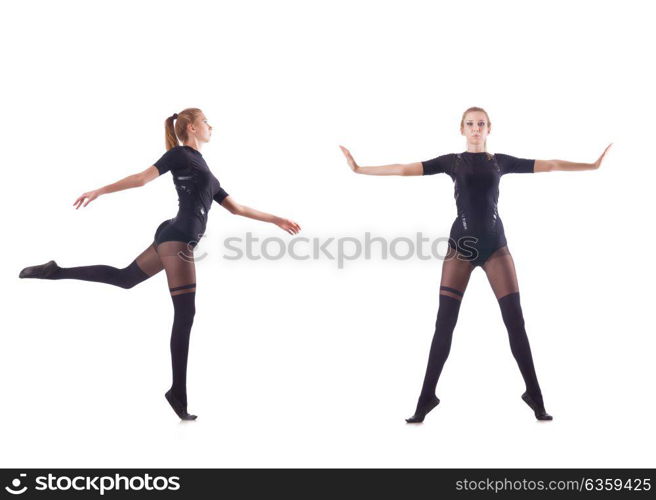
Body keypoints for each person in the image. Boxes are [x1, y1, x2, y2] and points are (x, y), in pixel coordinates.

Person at [19, 107, 301, 420]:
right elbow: (141, 178)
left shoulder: (204, 167)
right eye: (206, 122)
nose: (211, 126)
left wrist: (276, 219)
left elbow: (236, 208)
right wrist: (100, 190)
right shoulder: (180, 155)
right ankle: (177, 392)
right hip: (178, 237)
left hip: (175, 234)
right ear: (192, 128)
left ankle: (55, 272)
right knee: (185, 312)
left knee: (126, 278)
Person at [340, 106, 611, 423]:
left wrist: (592, 165)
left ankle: (536, 398)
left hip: (496, 246)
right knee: (445, 324)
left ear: (489, 128)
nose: (476, 129)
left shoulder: (501, 162)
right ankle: (426, 398)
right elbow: (402, 169)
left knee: (515, 322)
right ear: (462, 128)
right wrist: (359, 168)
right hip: (461, 247)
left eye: (481, 124)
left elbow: (549, 165)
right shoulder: (451, 162)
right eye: (470, 124)